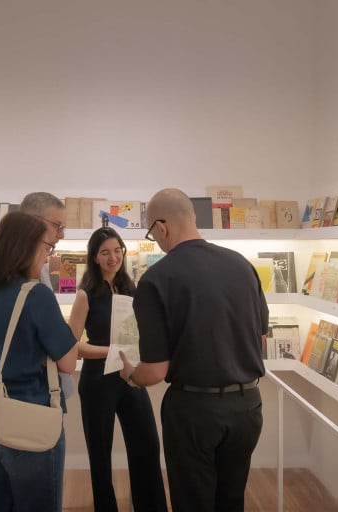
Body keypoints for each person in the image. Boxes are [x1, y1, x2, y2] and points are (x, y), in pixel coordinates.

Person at [119, 188, 269, 512]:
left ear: (161, 227)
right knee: (232, 500)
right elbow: (259, 334)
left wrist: (131, 375)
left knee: (193, 502)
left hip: (193, 411)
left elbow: (154, 371)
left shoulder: (156, 279)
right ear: (193, 217)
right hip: (247, 406)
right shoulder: (242, 266)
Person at [0, 211, 78, 511]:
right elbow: (68, 362)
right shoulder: (36, 295)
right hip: (30, 415)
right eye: (46, 247)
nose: (47, 256)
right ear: (26, 247)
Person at [67, 227, 167, 512]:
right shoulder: (85, 295)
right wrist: (111, 351)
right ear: (94, 258)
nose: (113, 258)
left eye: (117, 250)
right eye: (105, 253)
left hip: (130, 376)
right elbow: (72, 345)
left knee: (147, 445)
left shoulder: (132, 289)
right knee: (100, 454)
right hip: (98, 380)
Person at [0, 192, 76, 397]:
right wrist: (10, 372)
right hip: (27, 394)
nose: (61, 235)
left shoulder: (39, 269)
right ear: (33, 222)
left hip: (36, 391)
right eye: (57, 225)